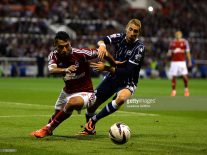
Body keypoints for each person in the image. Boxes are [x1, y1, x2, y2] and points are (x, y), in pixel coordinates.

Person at [30, 31, 116, 138]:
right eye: (61, 47)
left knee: (72, 103)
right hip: (67, 91)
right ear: (55, 46)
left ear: (70, 43)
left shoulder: (81, 53)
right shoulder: (54, 55)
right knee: (56, 116)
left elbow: (105, 53)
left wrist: (114, 65)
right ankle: (51, 129)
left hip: (86, 93)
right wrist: (66, 69)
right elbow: (51, 69)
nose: (65, 49)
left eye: (67, 46)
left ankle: (47, 129)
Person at [79, 19, 145, 135]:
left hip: (128, 81)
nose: (132, 33)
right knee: (91, 104)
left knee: (121, 99)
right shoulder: (120, 37)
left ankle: (93, 121)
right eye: (130, 29)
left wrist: (106, 68)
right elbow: (102, 40)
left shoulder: (139, 48)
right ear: (126, 29)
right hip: (112, 77)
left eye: (136, 31)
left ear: (138, 33)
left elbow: (127, 71)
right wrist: (102, 46)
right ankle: (90, 130)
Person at [167, 31, 192, 97]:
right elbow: (169, 53)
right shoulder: (172, 42)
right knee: (173, 76)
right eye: (176, 34)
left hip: (182, 62)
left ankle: (186, 89)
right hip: (174, 62)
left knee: (184, 76)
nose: (178, 35)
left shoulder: (184, 42)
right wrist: (172, 52)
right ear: (175, 35)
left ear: (181, 35)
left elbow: (188, 52)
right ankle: (173, 91)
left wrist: (189, 61)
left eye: (179, 34)